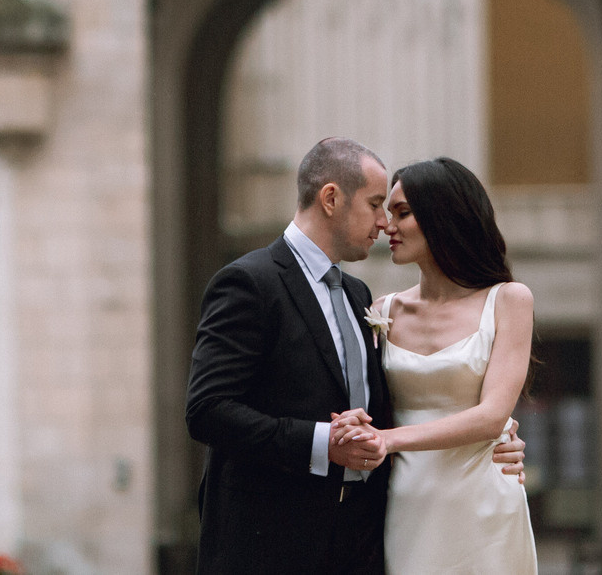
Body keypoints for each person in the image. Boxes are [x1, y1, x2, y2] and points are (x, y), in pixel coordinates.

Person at [185, 137, 524, 575]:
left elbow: (394, 410)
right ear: (331, 199)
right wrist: (322, 442)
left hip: (366, 540)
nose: (384, 223)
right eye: (377, 205)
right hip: (269, 545)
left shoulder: (359, 296)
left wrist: (497, 435)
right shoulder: (249, 283)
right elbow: (207, 411)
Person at [358, 156, 538, 575]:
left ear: (443, 216)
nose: (387, 226)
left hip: (483, 501)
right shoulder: (382, 310)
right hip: (404, 501)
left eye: (402, 213)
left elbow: (493, 416)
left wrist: (388, 439)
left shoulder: (509, 300)